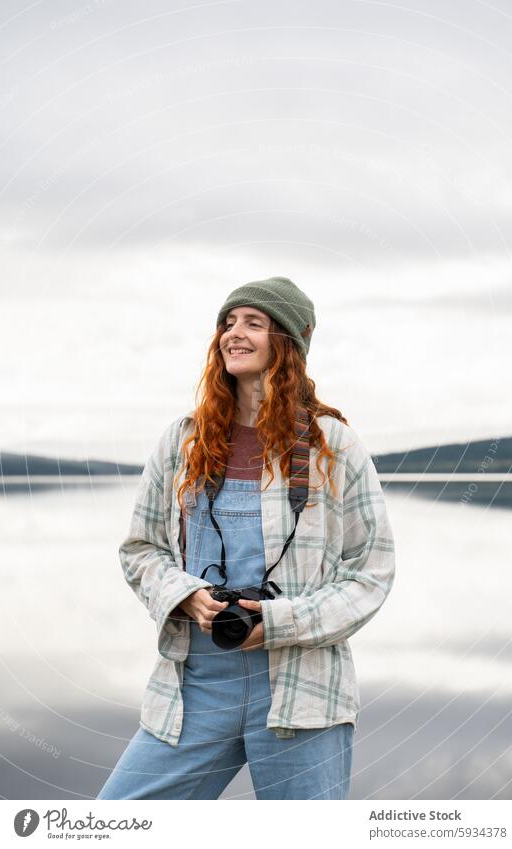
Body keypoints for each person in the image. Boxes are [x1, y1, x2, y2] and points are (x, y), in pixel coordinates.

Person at [96, 276, 395, 800]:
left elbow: (370, 575)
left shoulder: (334, 447)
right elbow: (140, 551)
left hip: (301, 690)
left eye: (253, 323)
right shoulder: (182, 441)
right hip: (193, 688)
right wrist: (185, 595)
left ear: (287, 343)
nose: (234, 333)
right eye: (227, 323)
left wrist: (278, 621)